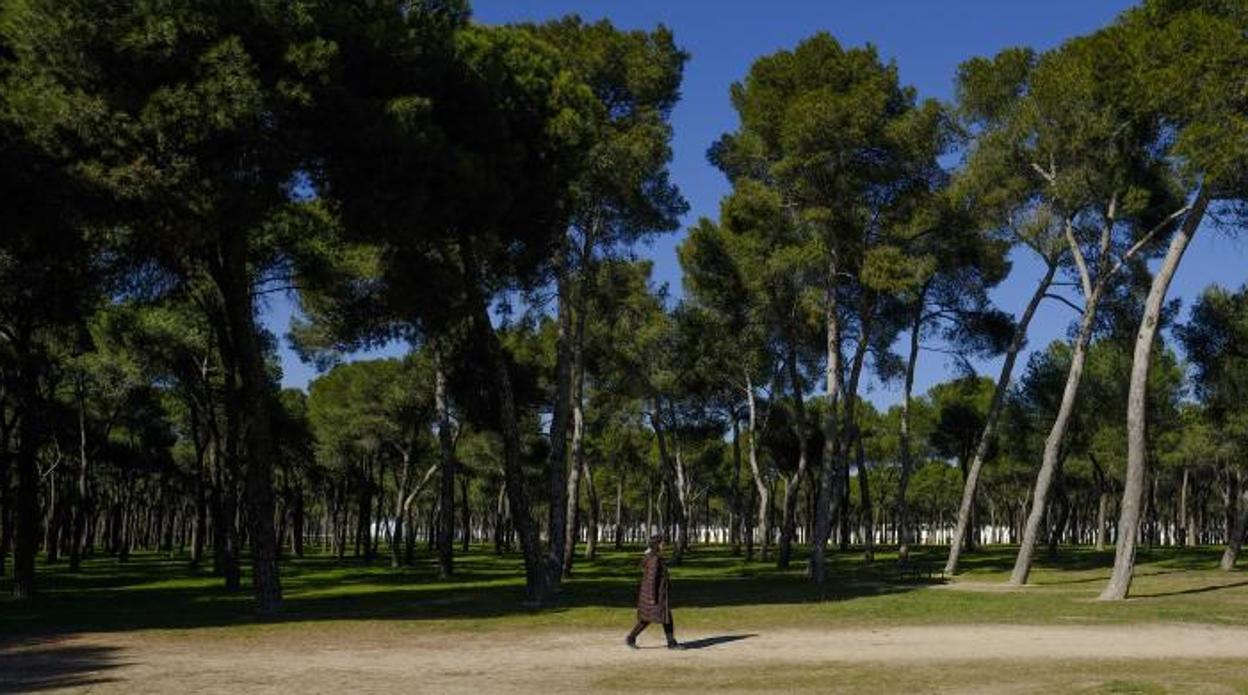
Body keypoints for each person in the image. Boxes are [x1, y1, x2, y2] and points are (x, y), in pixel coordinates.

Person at [626, 534, 683, 650]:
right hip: (655, 595)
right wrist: (652, 598)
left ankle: (670, 642)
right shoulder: (655, 559)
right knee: (652, 618)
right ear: (657, 545)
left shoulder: (653, 556)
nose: (664, 545)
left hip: (655, 594)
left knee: (659, 617)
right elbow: (651, 579)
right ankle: (671, 643)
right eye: (662, 543)